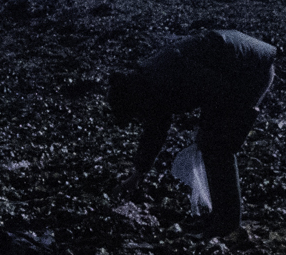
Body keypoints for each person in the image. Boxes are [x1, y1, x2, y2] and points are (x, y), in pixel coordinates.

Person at [108, 29, 277, 235]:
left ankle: (227, 223)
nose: (139, 118)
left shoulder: (168, 75)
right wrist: (138, 173)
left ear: (135, 100)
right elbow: (156, 128)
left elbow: (218, 89)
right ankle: (218, 217)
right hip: (234, 67)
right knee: (211, 144)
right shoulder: (148, 85)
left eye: (135, 115)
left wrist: (205, 125)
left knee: (219, 146)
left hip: (251, 69)